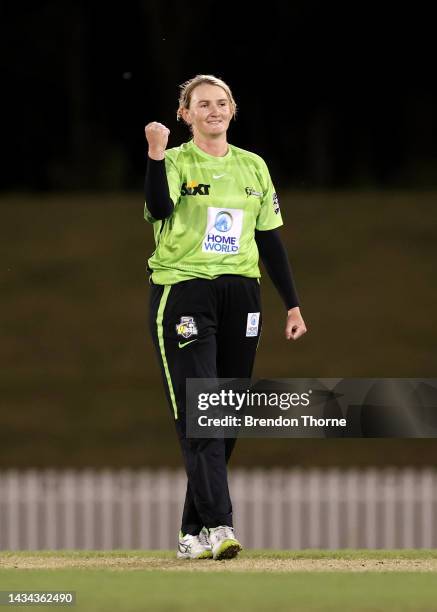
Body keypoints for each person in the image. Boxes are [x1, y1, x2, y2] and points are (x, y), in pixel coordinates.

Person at [144, 74, 307, 560]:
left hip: (243, 294)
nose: (213, 110)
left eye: (221, 103)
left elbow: (270, 239)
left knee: (228, 412)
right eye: (202, 104)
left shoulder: (253, 166)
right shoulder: (174, 161)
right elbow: (156, 208)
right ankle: (219, 525)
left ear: (232, 110)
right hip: (185, 291)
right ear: (186, 114)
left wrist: (292, 303)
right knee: (202, 412)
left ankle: (190, 533)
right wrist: (155, 152)